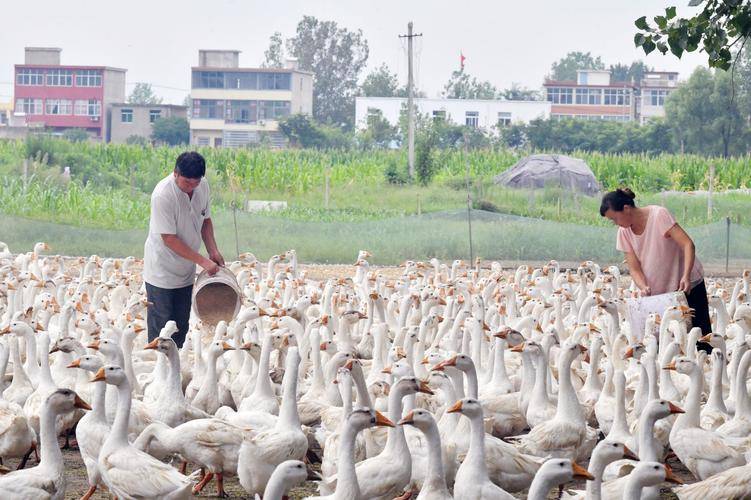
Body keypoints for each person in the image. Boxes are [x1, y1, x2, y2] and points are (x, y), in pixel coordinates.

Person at [600, 188, 712, 351]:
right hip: (661, 295)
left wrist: (686, 276)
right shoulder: (624, 233)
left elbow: (688, 244)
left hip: (687, 287)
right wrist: (643, 286)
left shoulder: (659, 215)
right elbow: (634, 268)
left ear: (626, 208)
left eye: (615, 219)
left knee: (701, 339)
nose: (615, 224)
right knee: (667, 343)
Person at [143, 151, 224, 348]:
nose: (191, 187)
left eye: (195, 183)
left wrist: (212, 250)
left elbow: (206, 221)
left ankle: (176, 368)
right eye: (187, 183)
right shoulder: (163, 195)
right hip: (162, 271)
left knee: (181, 325)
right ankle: (159, 371)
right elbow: (169, 239)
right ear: (175, 173)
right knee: (162, 328)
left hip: (186, 270)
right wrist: (203, 261)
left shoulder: (202, 187)